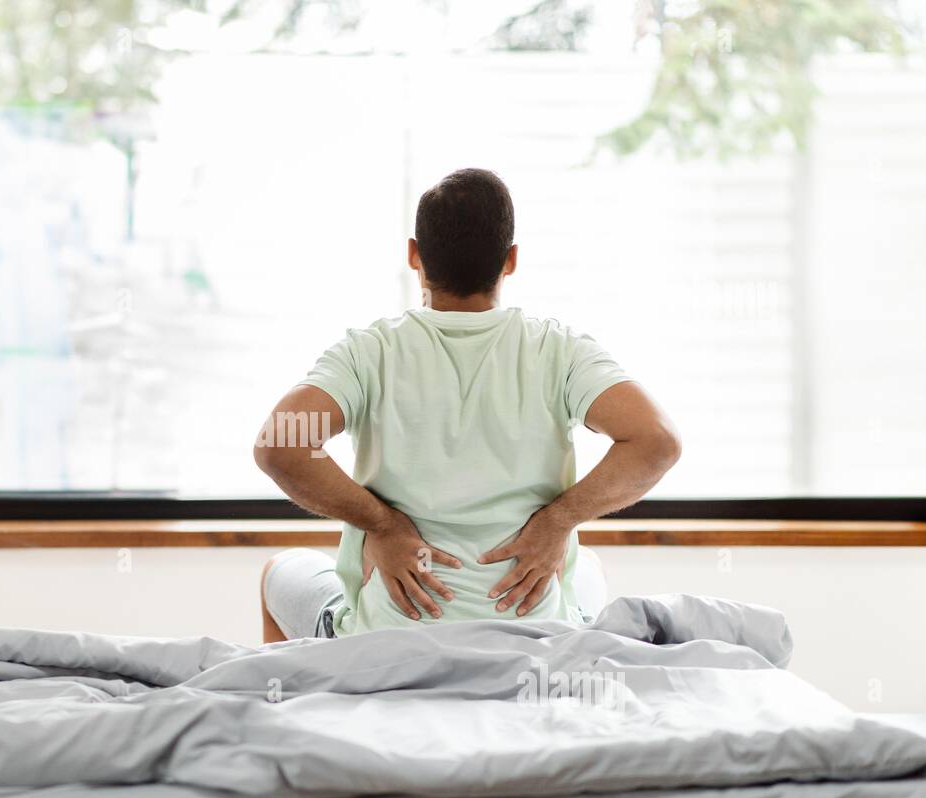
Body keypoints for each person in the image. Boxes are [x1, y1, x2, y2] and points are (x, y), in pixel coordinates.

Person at [254, 168, 681, 643]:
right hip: (535, 639)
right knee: (589, 568)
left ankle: (294, 704)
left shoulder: (368, 352)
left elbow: (280, 446)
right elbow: (656, 441)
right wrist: (558, 522)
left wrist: (382, 525)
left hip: (389, 639)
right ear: (511, 259)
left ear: (414, 255)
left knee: (278, 569)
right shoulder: (558, 351)